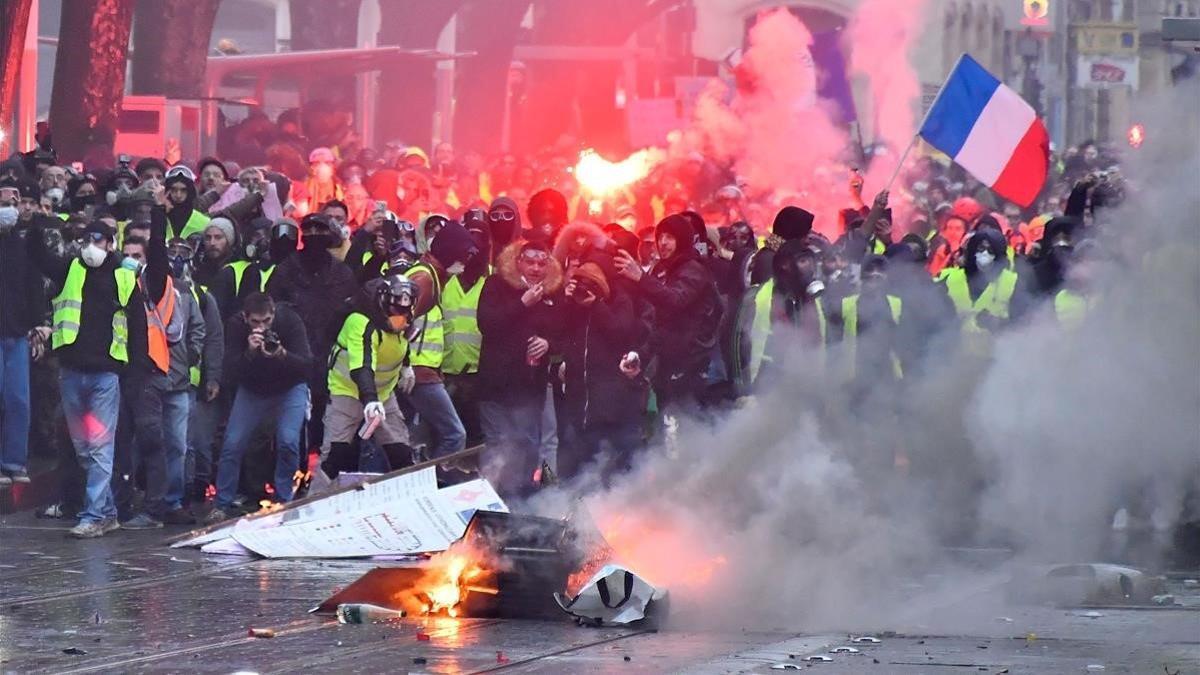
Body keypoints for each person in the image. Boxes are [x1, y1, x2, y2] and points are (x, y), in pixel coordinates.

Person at [28, 218, 147, 538]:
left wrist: (134, 373)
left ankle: (94, 515)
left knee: (99, 447)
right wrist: (35, 224)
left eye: (98, 240)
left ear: (111, 243)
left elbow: (137, 327)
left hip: (105, 376)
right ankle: (107, 512)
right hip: (72, 372)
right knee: (83, 448)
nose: (91, 246)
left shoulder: (125, 275)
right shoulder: (70, 267)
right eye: (86, 240)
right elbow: (39, 257)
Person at [116, 213, 205, 529]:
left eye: (136, 256)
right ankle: (132, 504)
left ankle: (163, 505)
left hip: (163, 377)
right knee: (131, 444)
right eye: (125, 256)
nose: (130, 261)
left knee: (167, 446)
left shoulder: (159, 285)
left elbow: (200, 331)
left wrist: (157, 212)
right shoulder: (122, 287)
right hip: (131, 377)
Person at [207, 293, 312, 523]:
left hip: (289, 386)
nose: (262, 327)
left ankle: (285, 499)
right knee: (232, 444)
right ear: (246, 318)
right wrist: (250, 353)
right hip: (253, 390)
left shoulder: (289, 320)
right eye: (255, 322)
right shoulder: (235, 326)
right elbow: (230, 371)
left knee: (288, 441)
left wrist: (282, 354)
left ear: (273, 314)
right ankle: (222, 503)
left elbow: (306, 364)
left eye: (266, 321)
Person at [478, 240, 562, 498]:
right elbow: (486, 323)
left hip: (531, 386)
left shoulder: (553, 292)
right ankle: (490, 501)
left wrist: (549, 343)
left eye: (541, 262)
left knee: (529, 445)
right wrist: (522, 303)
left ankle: (526, 505)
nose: (536, 268)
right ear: (518, 261)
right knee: (499, 446)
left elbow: (565, 331)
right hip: (496, 385)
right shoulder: (496, 284)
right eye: (530, 261)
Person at [614, 213, 720, 414]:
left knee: (688, 428)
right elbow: (657, 322)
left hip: (690, 364)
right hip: (667, 362)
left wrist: (640, 278)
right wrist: (641, 355)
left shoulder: (693, 269)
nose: (663, 243)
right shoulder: (663, 270)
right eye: (660, 237)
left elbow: (675, 300)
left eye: (670, 237)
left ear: (683, 240)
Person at [269, 214, 357, 452]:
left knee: (327, 423)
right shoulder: (286, 270)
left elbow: (352, 314)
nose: (314, 236)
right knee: (291, 427)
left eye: (320, 230)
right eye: (308, 230)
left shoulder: (342, 274)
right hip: (292, 357)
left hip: (332, 358)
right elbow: (273, 311)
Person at [320, 276, 420, 478]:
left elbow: (399, 345)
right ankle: (316, 503)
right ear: (384, 304)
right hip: (346, 391)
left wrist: (406, 366)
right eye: (396, 311)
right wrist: (370, 400)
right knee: (334, 458)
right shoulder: (360, 322)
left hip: (384, 395)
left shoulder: (402, 319)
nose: (401, 317)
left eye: (405, 311)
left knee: (402, 454)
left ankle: (405, 500)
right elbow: (362, 365)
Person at [558, 261, 646, 484]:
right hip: (579, 405)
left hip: (612, 405)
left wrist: (596, 304)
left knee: (614, 467)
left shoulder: (620, 300)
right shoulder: (574, 306)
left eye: (590, 282)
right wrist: (566, 301)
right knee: (580, 468)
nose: (584, 289)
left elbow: (622, 333)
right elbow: (558, 331)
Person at [733, 239, 829, 394]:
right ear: (785, 264)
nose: (810, 267)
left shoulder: (812, 300)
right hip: (761, 388)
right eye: (803, 261)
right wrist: (740, 388)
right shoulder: (756, 296)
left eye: (811, 261)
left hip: (802, 389)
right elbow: (734, 342)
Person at [0, 184, 48, 486]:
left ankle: (13, 462)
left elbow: (34, 283)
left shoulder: (27, 240)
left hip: (16, 332)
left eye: (18, 198)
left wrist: (38, 323)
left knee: (18, 400)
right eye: (6, 195)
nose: (13, 202)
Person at [163, 167, 210, 240]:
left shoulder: (205, 222)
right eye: (173, 190)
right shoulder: (158, 218)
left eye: (183, 190)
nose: (178, 195)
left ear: (190, 191)